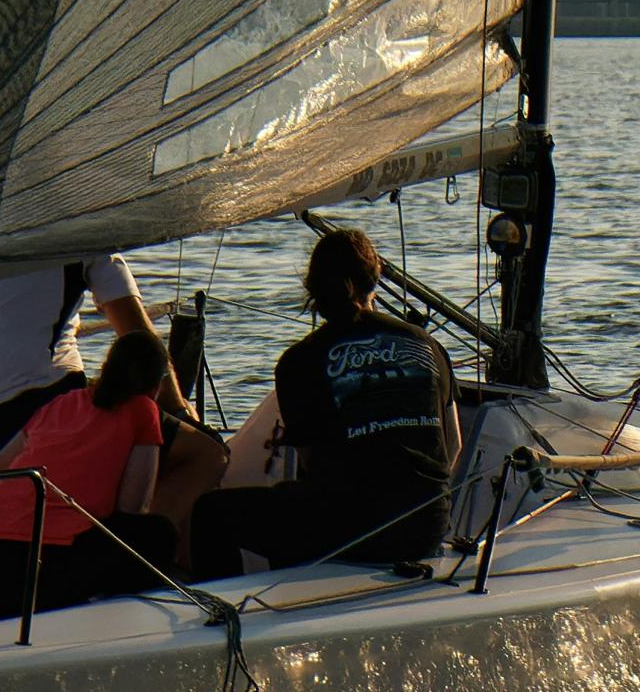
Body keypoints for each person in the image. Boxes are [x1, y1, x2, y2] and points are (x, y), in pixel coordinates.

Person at [186, 225, 459, 580]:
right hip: (427, 527)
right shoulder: (426, 344)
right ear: (374, 279)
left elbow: (311, 463)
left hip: (349, 529)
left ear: (312, 289)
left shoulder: (299, 361)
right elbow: (452, 445)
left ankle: (227, 613)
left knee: (210, 513)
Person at [0, 332, 220, 621]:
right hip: (30, 570)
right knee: (155, 534)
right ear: (158, 383)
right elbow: (132, 508)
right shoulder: (143, 409)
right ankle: (123, 615)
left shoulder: (60, 404)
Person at [0, 254, 190, 458]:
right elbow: (137, 336)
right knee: (199, 452)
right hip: (51, 410)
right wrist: (176, 410)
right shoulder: (81, 237)